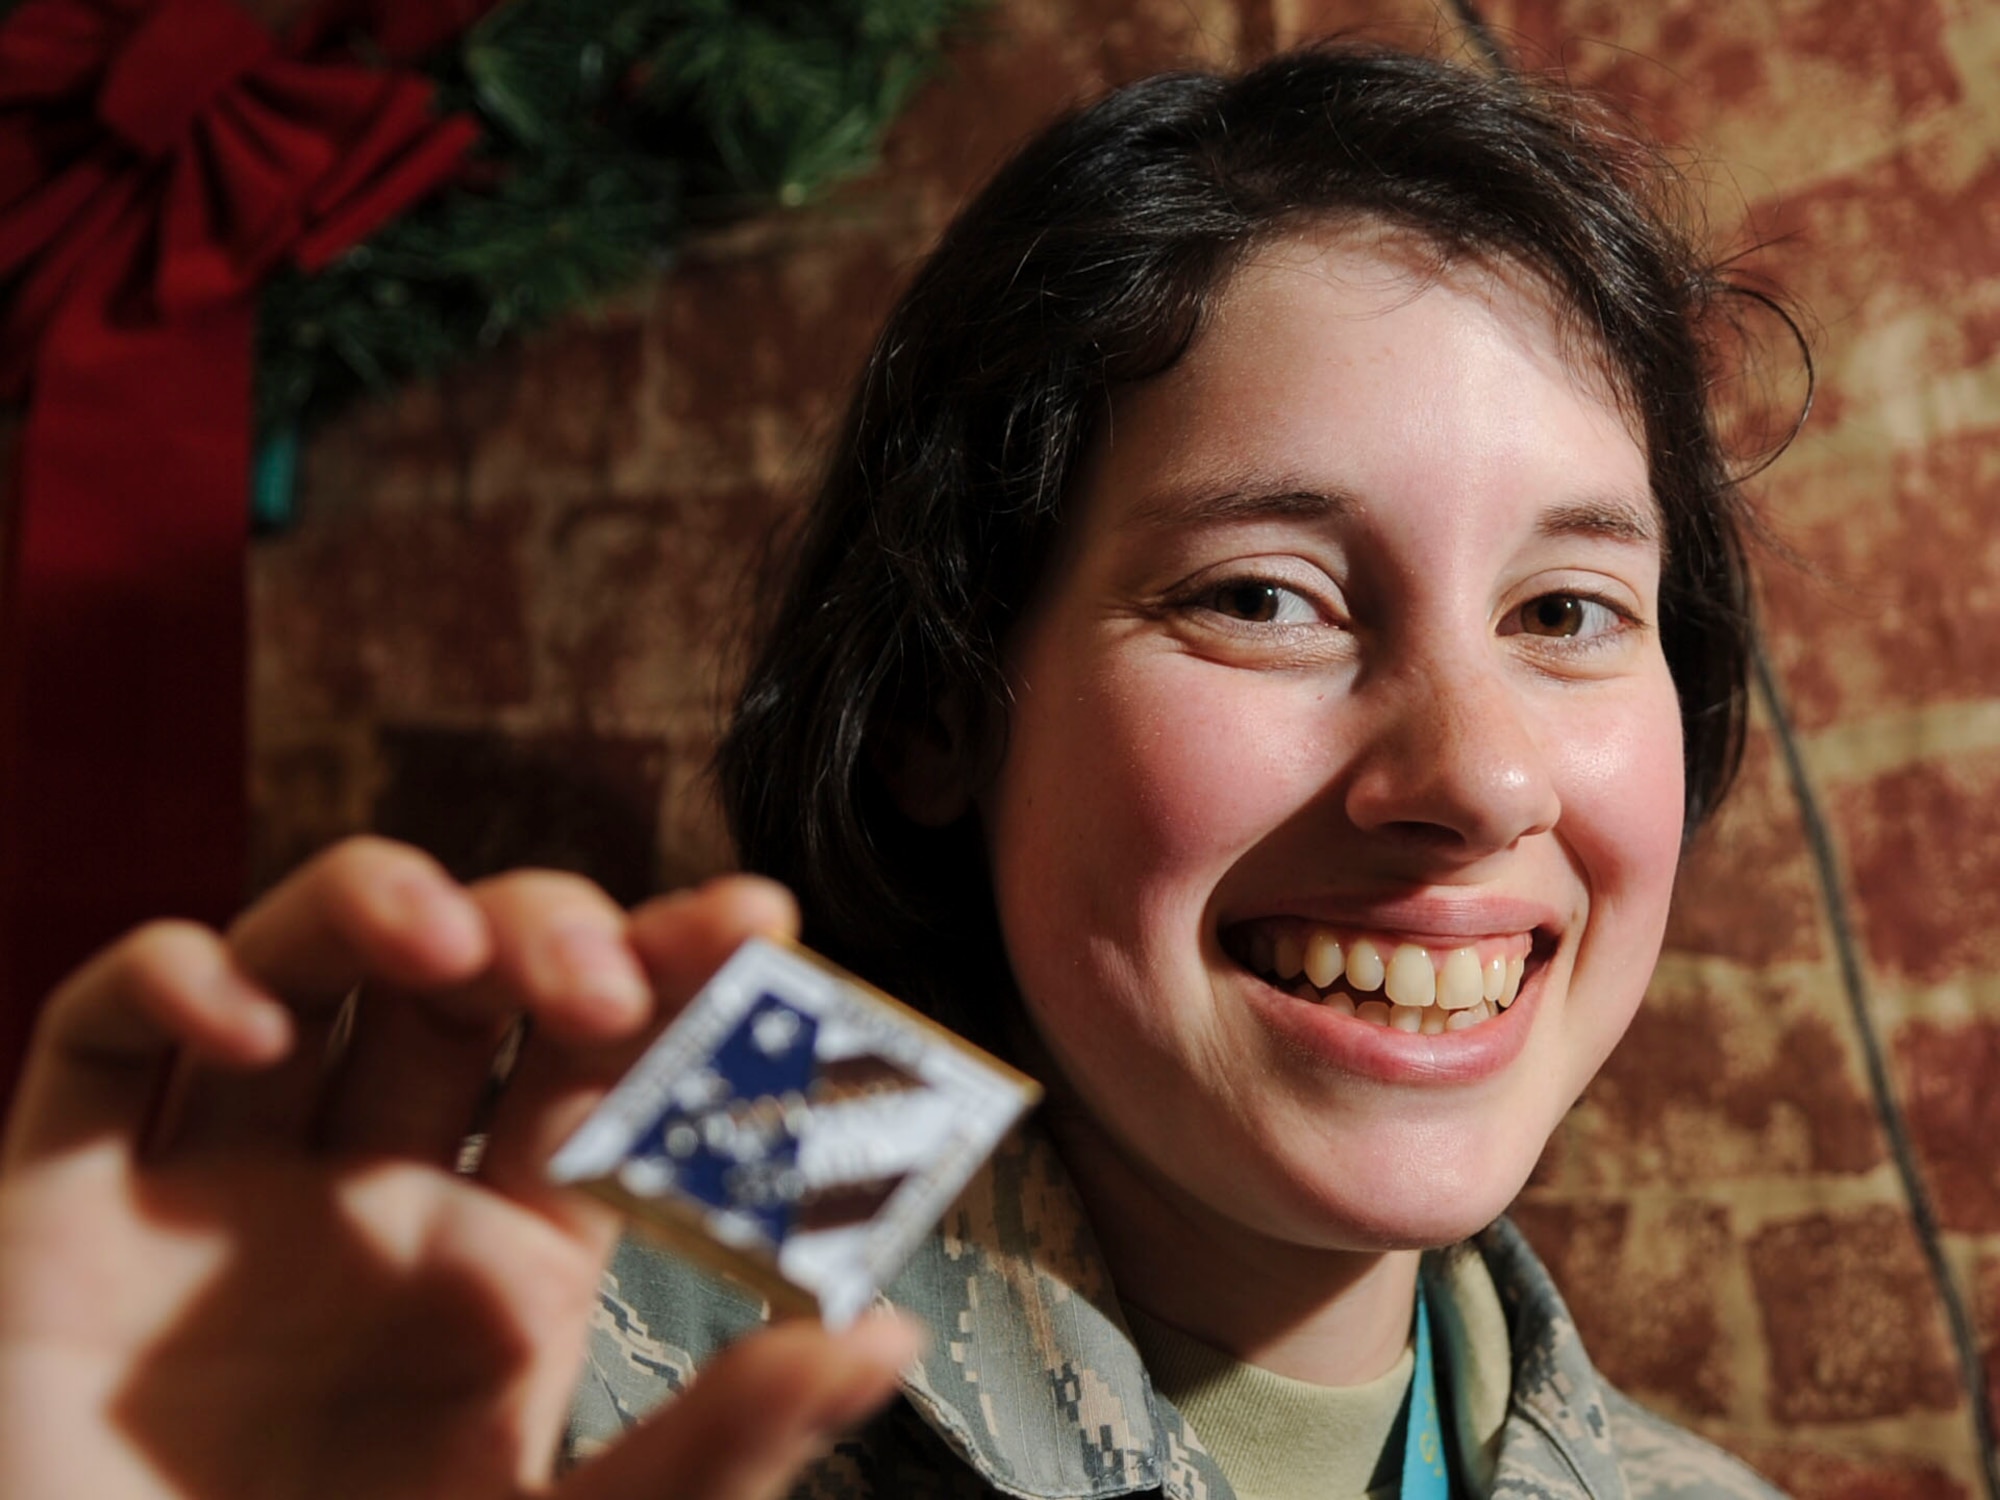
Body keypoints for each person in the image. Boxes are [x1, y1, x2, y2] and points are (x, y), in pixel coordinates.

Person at [0, 40, 1797, 1500]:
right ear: (944, 702)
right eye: (1264, 597)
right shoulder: (463, 1336)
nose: (1478, 777)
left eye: (1569, 611)